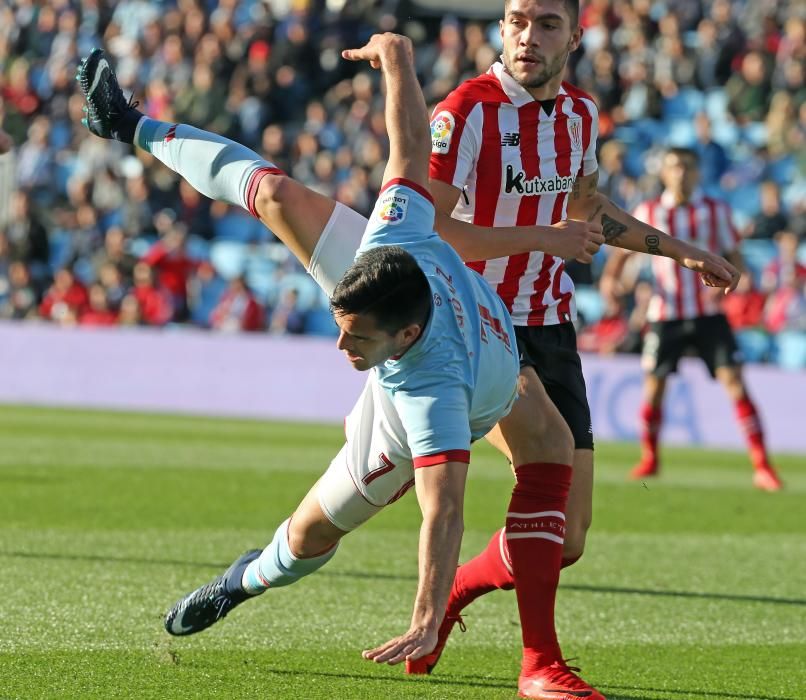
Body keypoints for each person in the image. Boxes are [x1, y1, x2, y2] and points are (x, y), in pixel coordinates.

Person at [77, 35, 605, 699]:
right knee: (274, 194)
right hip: (450, 322)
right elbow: (410, 143)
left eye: (354, 337)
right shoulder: (397, 232)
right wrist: (399, 61)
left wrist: (423, 614)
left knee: (306, 536)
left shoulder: (427, 394)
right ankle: (126, 124)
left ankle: (246, 578)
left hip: (446, 393)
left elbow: (444, 512)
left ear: (403, 335)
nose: (337, 348)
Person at [417, 0, 739, 683]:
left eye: (546, 24)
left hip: (549, 322)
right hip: (475, 320)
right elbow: (433, 230)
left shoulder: (580, 115)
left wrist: (679, 251)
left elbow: (586, 209)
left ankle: (457, 593)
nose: (527, 37)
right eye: (516, 21)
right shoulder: (465, 111)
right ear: (501, 28)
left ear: (576, 36)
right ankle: (541, 666)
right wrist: (545, 237)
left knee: (568, 538)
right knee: (546, 457)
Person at [600, 147, 783, 492]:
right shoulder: (649, 211)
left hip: (709, 315)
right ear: (664, 173)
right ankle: (650, 460)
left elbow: (736, 259)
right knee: (653, 389)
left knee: (736, 384)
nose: (680, 173)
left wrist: (730, 280)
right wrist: (610, 281)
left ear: (697, 172)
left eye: (687, 166)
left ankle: (762, 465)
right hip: (665, 314)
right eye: (674, 167)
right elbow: (622, 253)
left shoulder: (716, 211)